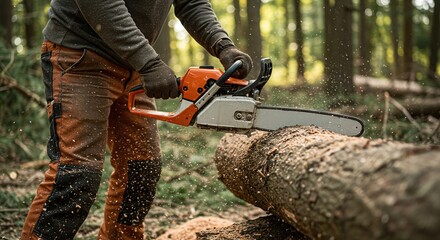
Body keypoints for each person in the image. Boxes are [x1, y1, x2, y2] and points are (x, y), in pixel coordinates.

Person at [21, 0, 252, 239]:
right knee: (76, 174)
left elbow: (191, 3)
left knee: (141, 169)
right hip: (81, 57)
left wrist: (222, 45)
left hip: (133, 64)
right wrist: (149, 62)